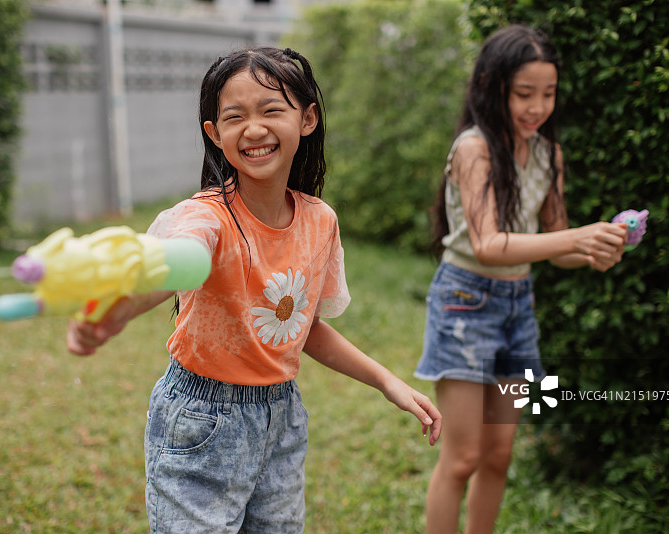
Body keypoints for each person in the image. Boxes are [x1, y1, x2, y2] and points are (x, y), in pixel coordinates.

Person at [67, 46, 442, 534]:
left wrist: (387, 381)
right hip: (200, 421)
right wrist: (121, 308)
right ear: (214, 133)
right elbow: (180, 260)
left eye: (271, 110)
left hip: (281, 421)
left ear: (307, 119)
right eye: (235, 116)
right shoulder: (206, 217)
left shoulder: (319, 222)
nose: (254, 128)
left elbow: (304, 329)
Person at [414, 25, 627, 534]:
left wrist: (593, 251)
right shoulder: (475, 149)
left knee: (499, 455)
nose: (538, 107)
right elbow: (488, 243)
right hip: (465, 304)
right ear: (493, 87)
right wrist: (576, 238)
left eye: (548, 94)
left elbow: (554, 244)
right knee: (463, 457)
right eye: (524, 93)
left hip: (518, 307)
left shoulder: (549, 154)